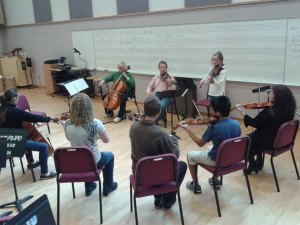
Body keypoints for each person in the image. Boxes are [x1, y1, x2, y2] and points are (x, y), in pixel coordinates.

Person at [129, 96, 187, 209]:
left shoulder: (133, 127)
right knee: (182, 166)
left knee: (153, 163)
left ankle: (158, 198)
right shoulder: (161, 133)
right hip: (156, 176)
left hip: (139, 173)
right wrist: (173, 139)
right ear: (159, 111)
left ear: (144, 110)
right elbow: (175, 154)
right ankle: (168, 201)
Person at [179, 96, 241, 193]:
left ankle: (195, 185)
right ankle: (215, 180)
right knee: (210, 147)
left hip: (217, 160)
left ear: (217, 113)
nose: (212, 112)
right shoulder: (236, 123)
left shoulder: (214, 128)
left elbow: (200, 143)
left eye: (213, 110)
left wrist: (187, 129)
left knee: (190, 155)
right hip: (231, 157)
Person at [64, 93, 117, 197]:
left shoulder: (67, 123)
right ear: (89, 107)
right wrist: (95, 137)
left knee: (84, 155)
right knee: (109, 156)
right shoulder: (96, 123)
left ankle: (89, 187)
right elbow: (106, 140)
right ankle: (108, 186)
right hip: (93, 161)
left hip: (75, 162)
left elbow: (70, 138)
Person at [235, 85, 296, 174]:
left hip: (268, 141)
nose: (269, 94)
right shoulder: (289, 110)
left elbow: (254, 123)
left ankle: (254, 165)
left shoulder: (269, 112)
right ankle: (259, 162)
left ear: (277, 97)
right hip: (280, 140)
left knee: (244, 141)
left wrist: (241, 111)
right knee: (253, 137)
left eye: (272, 93)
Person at [0, 88, 57, 179]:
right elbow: (33, 118)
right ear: (14, 98)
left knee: (27, 136)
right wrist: (49, 119)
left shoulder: (2, 109)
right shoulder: (16, 111)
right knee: (44, 147)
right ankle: (44, 173)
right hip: (15, 144)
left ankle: (31, 162)